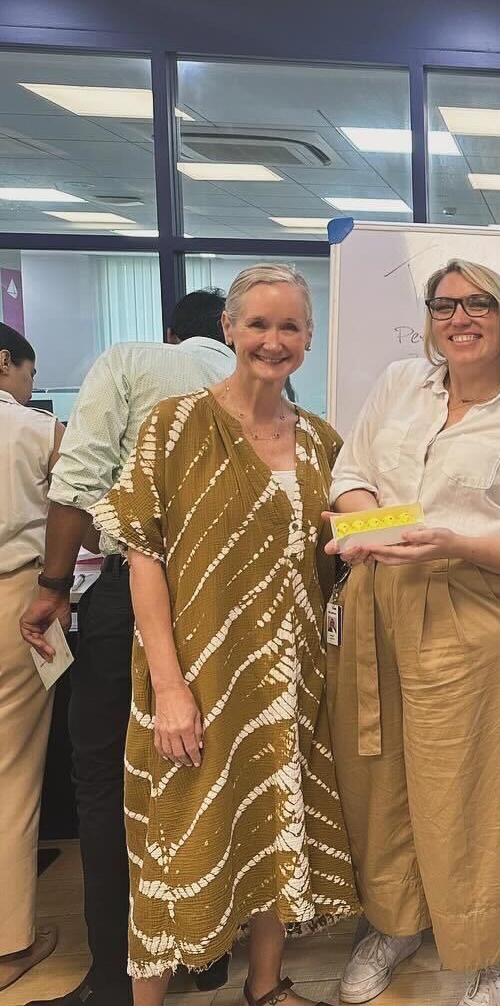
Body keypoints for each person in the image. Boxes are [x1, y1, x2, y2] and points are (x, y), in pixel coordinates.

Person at [82, 265, 357, 1006]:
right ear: (228, 329)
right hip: (195, 677)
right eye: (259, 324)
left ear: (308, 338)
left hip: (287, 679)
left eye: (290, 327)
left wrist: (420, 526)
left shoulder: (320, 443)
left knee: (275, 828)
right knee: (175, 844)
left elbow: (344, 540)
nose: (274, 341)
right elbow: (145, 557)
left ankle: (264, 988)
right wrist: (169, 687)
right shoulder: (174, 425)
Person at [328, 259, 500, 1006]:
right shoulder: (402, 384)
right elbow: (349, 473)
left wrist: (453, 543)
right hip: (376, 602)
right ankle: (399, 922)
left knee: (473, 787)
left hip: (471, 612)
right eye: (445, 306)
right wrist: (381, 526)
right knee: (380, 777)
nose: (459, 318)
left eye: (477, 305)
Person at [18, 289, 233, 1006]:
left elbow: (76, 480)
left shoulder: (132, 361)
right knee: (206, 776)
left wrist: (53, 584)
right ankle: (205, 956)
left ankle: (117, 976)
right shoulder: (263, 385)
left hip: (132, 592)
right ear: (233, 332)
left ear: (171, 330)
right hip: (228, 601)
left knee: (107, 781)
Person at [0, 324, 64, 994]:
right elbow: (86, 502)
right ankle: (9, 944)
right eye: (26, 371)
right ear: (4, 363)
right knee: (12, 774)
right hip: (15, 596)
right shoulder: (33, 429)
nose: (28, 385)